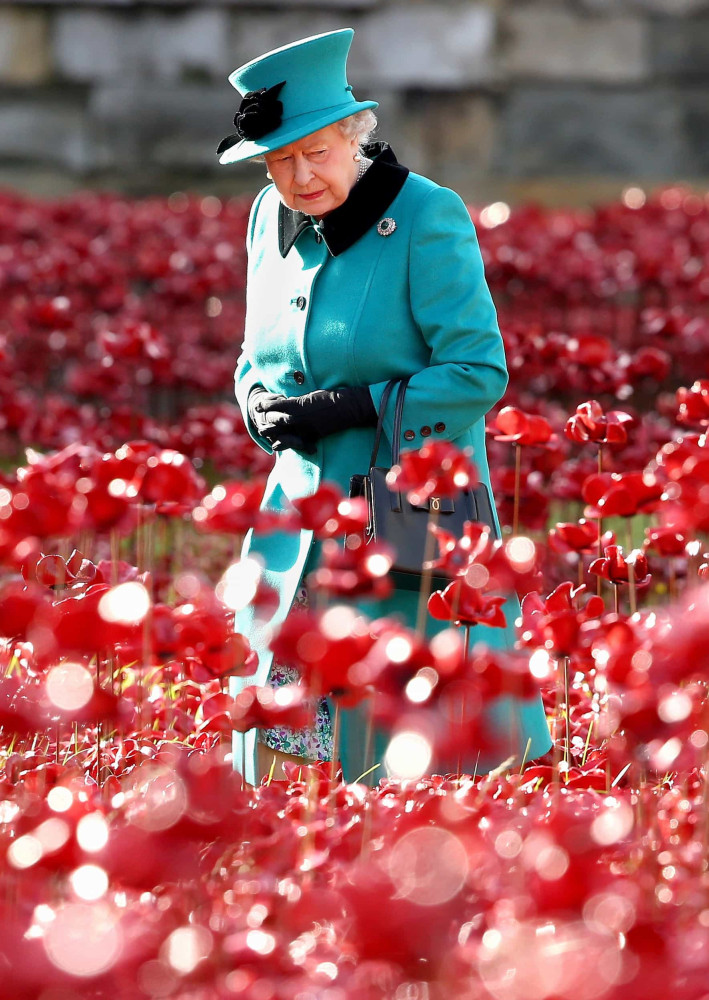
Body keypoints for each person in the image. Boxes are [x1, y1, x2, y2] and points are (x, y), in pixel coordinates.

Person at [218, 28, 552, 784]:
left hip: (404, 516)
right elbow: (252, 354)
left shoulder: (427, 217)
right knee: (270, 738)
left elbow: (478, 372)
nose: (298, 178)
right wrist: (256, 402)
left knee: (400, 751)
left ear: (354, 136)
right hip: (298, 518)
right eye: (277, 161)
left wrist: (354, 404)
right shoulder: (265, 222)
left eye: (315, 153)